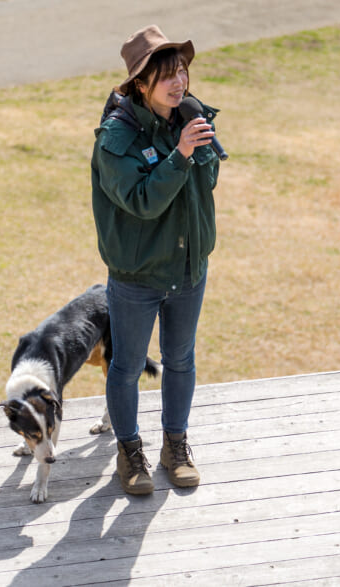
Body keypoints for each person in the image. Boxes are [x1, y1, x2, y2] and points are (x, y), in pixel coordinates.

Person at [91, 25, 220, 495]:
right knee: (126, 366)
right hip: (138, 275)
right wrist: (181, 154)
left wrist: (197, 151)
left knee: (181, 359)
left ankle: (175, 445)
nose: (179, 82)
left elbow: (207, 183)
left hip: (189, 268)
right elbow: (142, 201)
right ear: (140, 84)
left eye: (182, 70)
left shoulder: (192, 115)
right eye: (166, 75)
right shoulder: (116, 138)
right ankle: (129, 451)